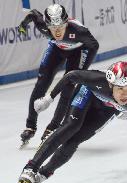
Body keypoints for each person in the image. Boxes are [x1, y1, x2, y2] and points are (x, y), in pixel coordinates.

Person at [9, 61, 127, 183]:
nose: (125, 93)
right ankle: (31, 167)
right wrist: (49, 98)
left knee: (73, 141)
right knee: (71, 126)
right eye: (120, 88)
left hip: (106, 109)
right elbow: (71, 75)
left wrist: (121, 109)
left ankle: (43, 173)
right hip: (88, 93)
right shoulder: (96, 79)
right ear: (110, 84)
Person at [18, 3, 99, 146]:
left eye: (61, 27)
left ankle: (53, 127)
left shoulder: (79, 31)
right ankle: (30, 126)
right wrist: (23, 25)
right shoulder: (41, 23)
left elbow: (94, 45)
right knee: (41, 84)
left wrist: (82, 70)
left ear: (66, 23)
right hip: (56, 49)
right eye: (53, 28)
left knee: (68, 86)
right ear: (47, 25)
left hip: (78, 52)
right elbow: (32, 14)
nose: (57, 32)